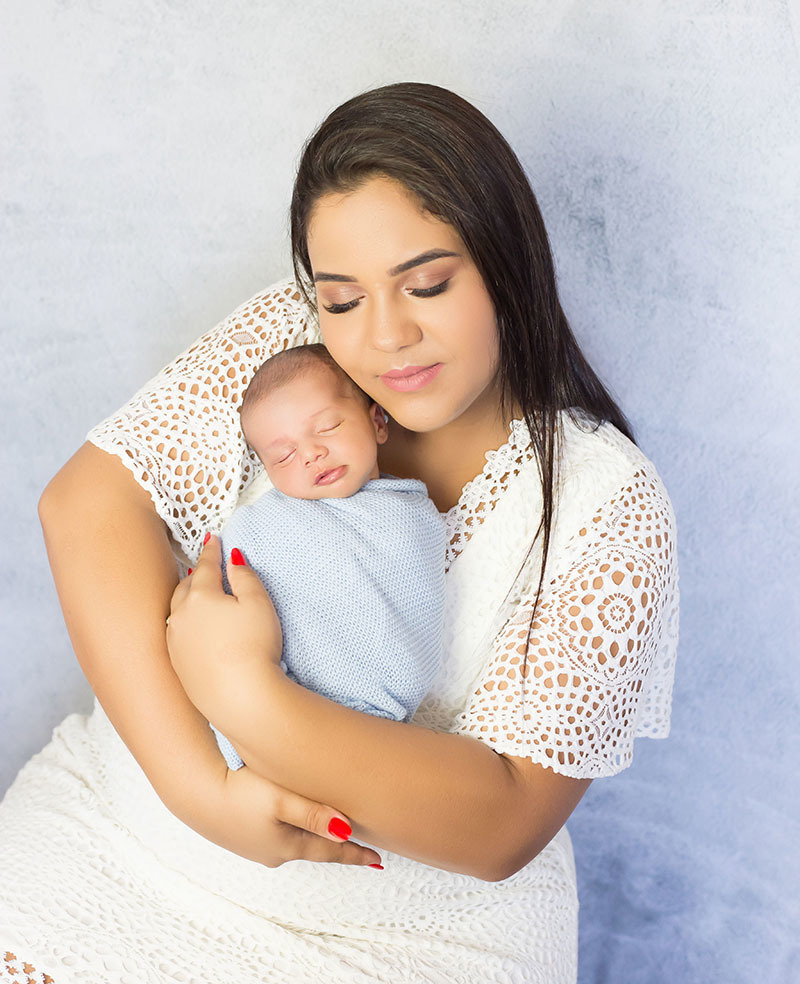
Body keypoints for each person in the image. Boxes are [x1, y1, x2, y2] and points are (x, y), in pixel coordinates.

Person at [0, 82, 679, 984]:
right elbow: (87, 507)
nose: (387, 336)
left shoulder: (606, 498)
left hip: (406, 935)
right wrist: (201, 794)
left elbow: (505, 821)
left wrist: (244, 692)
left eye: (428, 283)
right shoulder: (295, 347)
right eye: (344, 298)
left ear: (507, 262)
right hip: (131, 839)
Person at [192, 342, 445, 771]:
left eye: (327, 427)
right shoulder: (265, 525)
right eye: (284, 455)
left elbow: (410, 615)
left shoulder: (410, 518)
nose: (310, 453)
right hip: (265, 703)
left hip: (364, 727)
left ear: (378, 421)